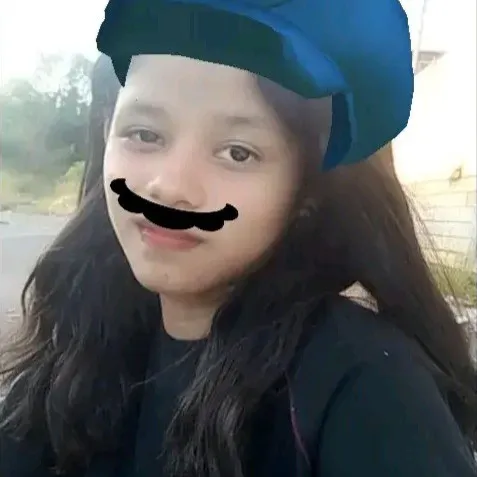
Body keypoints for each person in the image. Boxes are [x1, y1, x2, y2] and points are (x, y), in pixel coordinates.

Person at [0, 52, 476, 477]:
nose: (170, 186)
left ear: (308, 192)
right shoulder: (81, 333)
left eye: (237, 152)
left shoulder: (366, 386)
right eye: (145, 134)